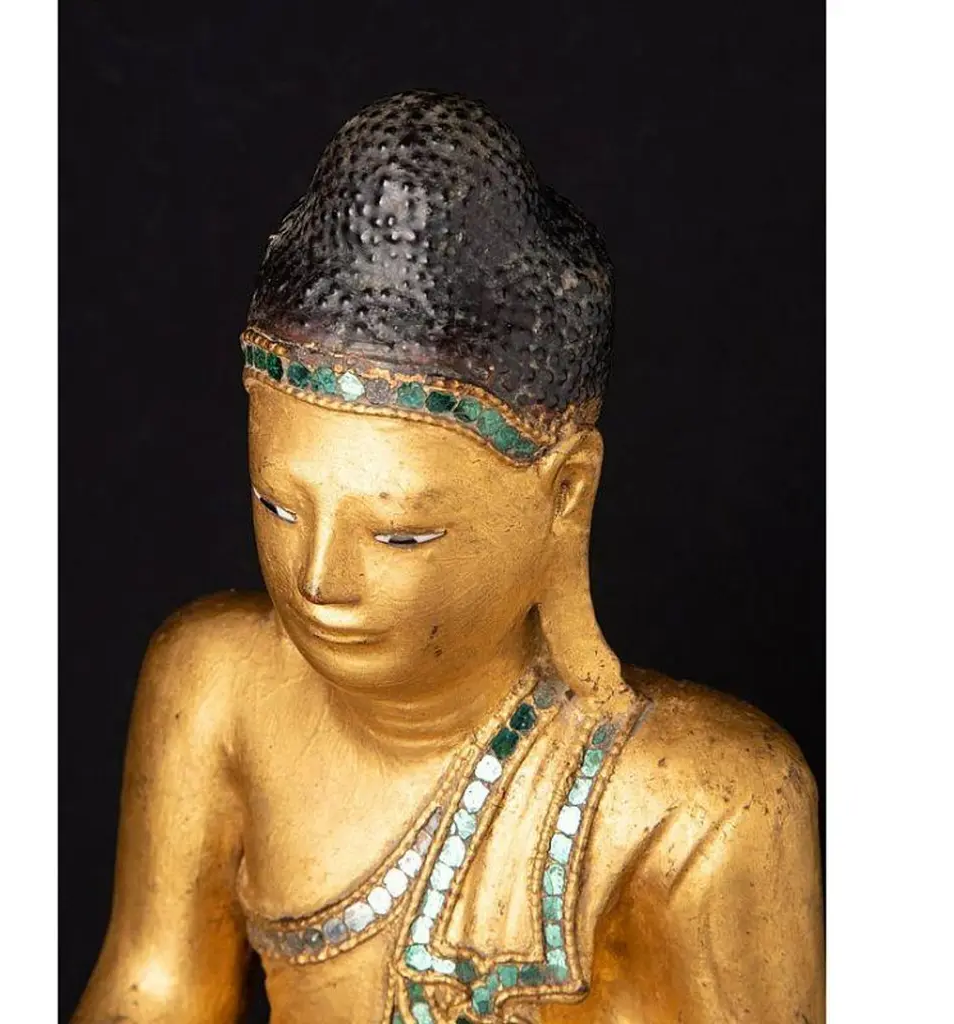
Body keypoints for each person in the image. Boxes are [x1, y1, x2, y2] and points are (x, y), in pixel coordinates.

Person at [74, 90, 823, 1024]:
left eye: (399, 535)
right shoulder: (216, 686)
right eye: (278, 506)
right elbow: (153, 990)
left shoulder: (698, 803)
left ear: (564, 493)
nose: (319, 580)